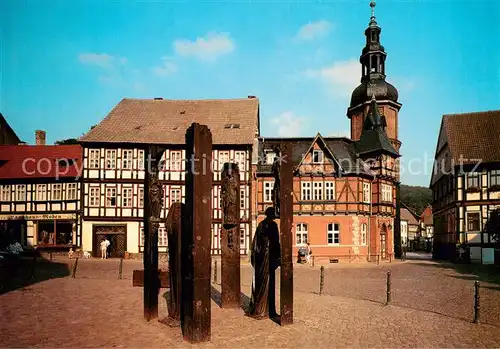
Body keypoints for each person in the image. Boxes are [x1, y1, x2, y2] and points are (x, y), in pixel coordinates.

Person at [247, 207, 281, 319]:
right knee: (269, 284)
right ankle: (268, 311)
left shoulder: (261, 224)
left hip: (261, 259)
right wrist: (279, 257)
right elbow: (276, 242)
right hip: (268, 258)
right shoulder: (273, 225)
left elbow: (255, 243)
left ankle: (260, 308)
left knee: (261, 283)